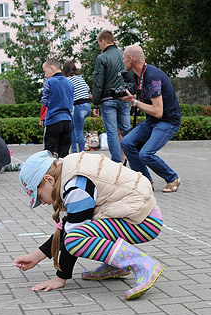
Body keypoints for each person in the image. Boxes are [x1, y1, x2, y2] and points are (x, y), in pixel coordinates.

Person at [13, 150, 165, 300]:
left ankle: (143, 264)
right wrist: (37, 256)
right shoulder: (69, 170)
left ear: (49, 180)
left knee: (75, 239)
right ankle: (116, 265)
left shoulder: (75, 188)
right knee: (82, 229)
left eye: (39, 196)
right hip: (141, 216)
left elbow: (72, 234)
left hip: (143, 222)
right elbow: (69, 225)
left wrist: (60, 278)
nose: (44, 202)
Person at [119, 45, 181, 193]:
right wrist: (132, 99)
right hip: (153, 121)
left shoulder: (152, 77)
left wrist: (134, 102)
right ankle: (146, 182)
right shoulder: (138, 75)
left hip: (167, 121)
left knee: (145, 154)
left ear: (131, 59)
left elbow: (158, 111)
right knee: (127, 142)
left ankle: (172, 178)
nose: (123, 62)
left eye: (124, 59)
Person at [92, 30, 131, 164]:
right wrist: (132, 96)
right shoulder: (124, 55)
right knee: (127, 130)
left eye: (99, 43)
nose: (100, 47)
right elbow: (131, 77)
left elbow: (98, 83)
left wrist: (95, 104)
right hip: (124, 98)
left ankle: (117, 162)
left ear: (103, 41)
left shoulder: (102, 58)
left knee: (112, 131)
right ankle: (132, 159)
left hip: (107, 100)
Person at [41, 58, 74, 158]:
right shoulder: (70, 83)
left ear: (52, 68)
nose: (45, 75)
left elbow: (45, 101)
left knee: (49, 151)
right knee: (64, 151)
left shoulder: (49, 82)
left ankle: (51, 171)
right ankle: (63, 171)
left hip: (53, 120)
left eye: (45, 71)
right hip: (67, 120)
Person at [63, 60, 92, 153]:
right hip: (87, 106)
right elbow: (87, 89)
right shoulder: (80, 78)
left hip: (79, 106)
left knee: (78, 131)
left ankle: (81, 152)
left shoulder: (67, 80)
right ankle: (74, 150)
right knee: (73, 127)